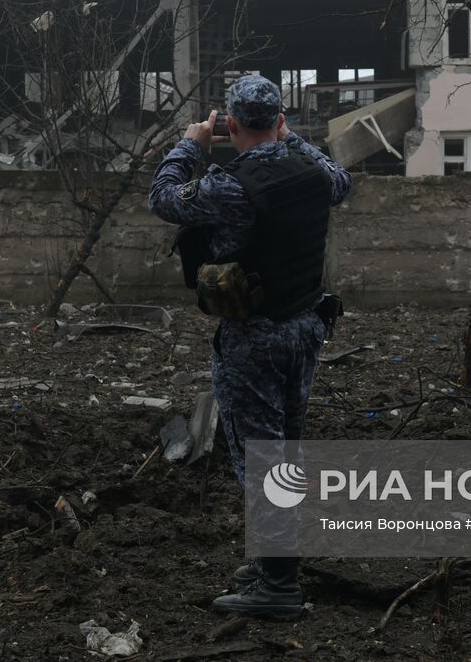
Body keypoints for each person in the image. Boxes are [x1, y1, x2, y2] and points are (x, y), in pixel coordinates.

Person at [148, 75, 351, 620]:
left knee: (261, 456)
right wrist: (293, 139)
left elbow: (162, 197)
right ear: (281, 120)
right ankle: (273, 562)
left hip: (255, 337)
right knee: (285, 447)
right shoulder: (315, 170)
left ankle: (278, 586)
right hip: (306, 327)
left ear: (230, 125)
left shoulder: (229, 185)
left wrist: (191, 143)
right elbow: (343, 182)